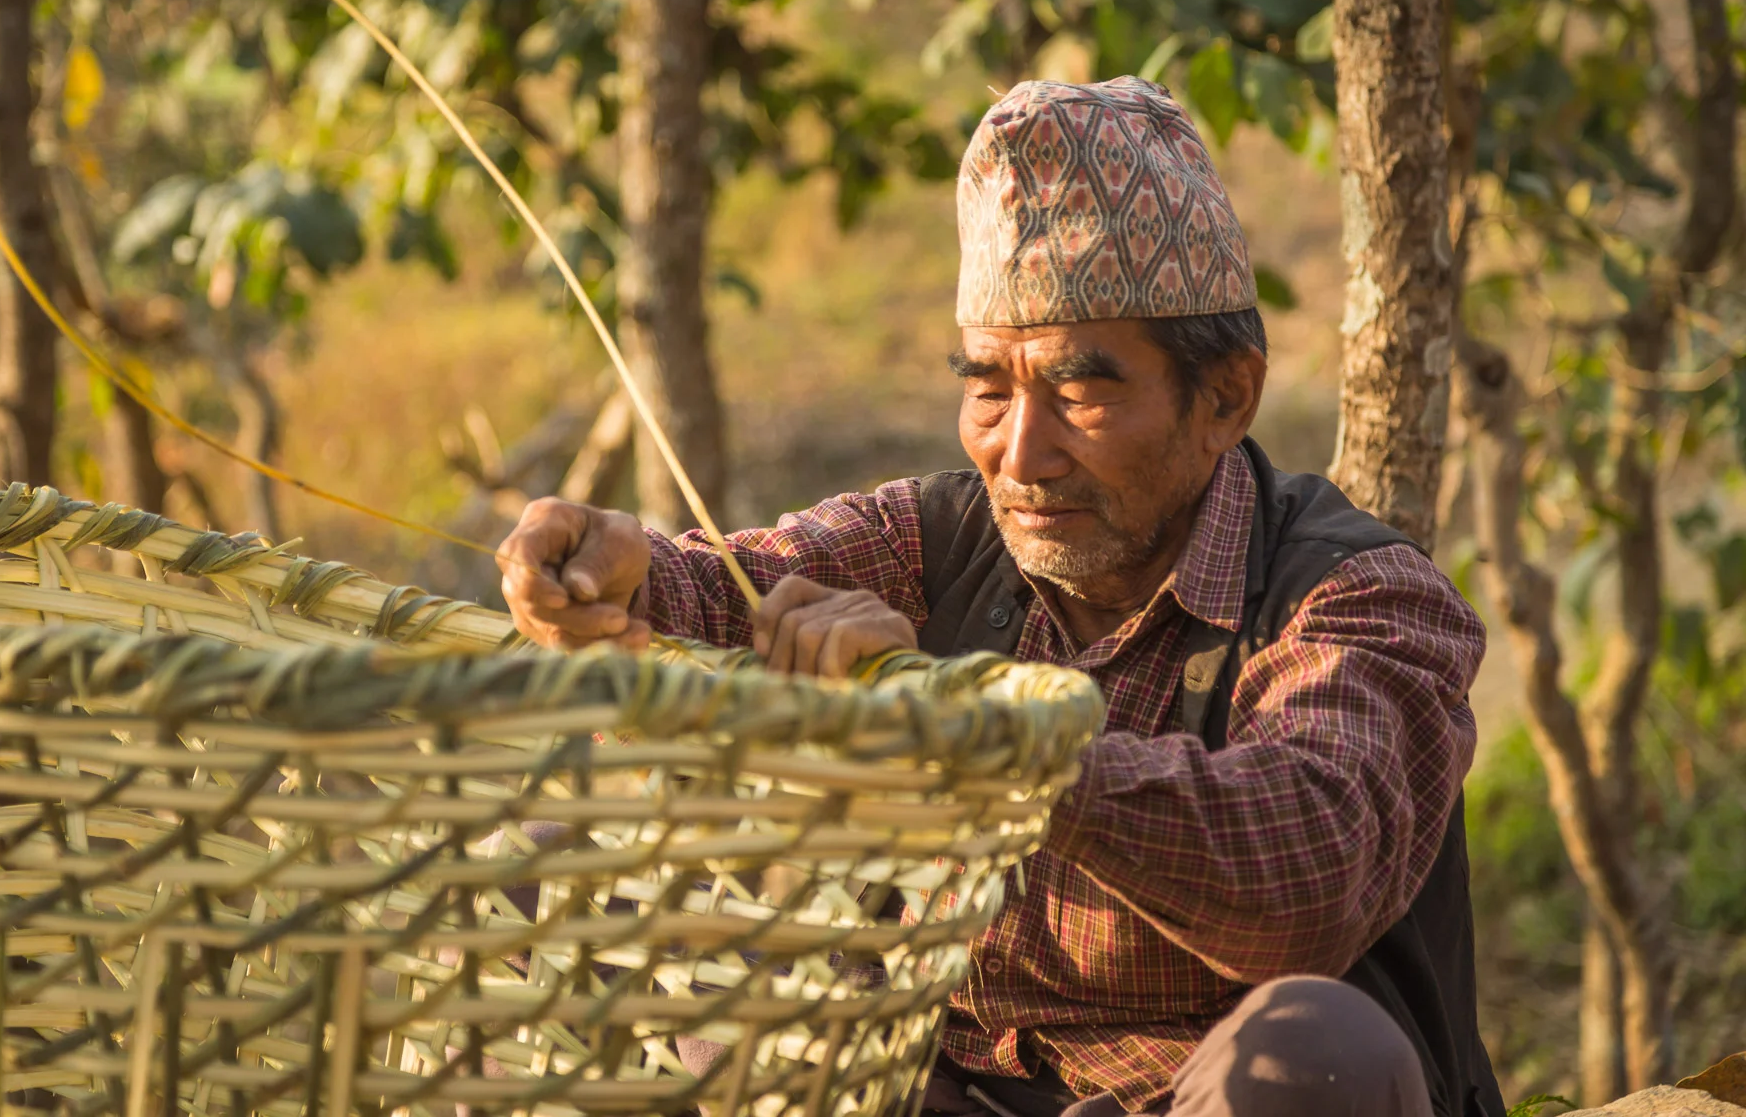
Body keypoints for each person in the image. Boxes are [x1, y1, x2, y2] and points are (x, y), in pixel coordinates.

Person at [498, 78, 1506, 1117]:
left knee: (1316, 1052)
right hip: (944, 1088)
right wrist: (622, 572)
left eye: (1081, 391)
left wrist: (990, 737)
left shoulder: (1359, 599)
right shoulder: (931, 539)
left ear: (1224, 397)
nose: (1020, 453)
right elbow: (727, 589)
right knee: (559, 878)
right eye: (987, 387)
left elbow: (1306, 864)